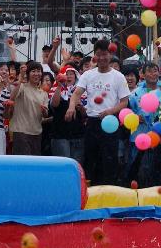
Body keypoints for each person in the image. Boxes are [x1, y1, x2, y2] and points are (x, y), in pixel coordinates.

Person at [66, 39, 130, 186]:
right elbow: (76, 94)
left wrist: (110, 111)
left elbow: (124, 102)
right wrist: (71, 107)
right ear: (95, 55)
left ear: (110, 55)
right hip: (92, 122)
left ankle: (109, 191)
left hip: (110, 123)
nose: (102, 58)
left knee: (109, 160)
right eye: (99, 55)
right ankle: (91, 191)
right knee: (91, 158)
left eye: (105, 54)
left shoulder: (118, 76)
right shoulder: (88, 75)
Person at [8, 62, 49, 156]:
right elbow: (12, 98)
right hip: (21, 132)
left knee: (34, 165)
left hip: (37, 133)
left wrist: (44, 111)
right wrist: (21, 78)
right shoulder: (22, 87)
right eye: (33, 71)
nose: (36, 74)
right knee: (22, 165)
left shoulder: (44, 93)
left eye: (39, 71)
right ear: (28, 74)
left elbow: (46, 114)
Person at [50, 66, 84, 163]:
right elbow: (54, 104)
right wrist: (60, 86)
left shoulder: (81, 92)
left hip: (78, 135)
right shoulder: (57, 89)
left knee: (77, 165)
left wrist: (81, 108)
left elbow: (85, 114)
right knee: (63, 164)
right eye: (66, 74)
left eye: (71, 74)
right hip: (60, 135)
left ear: (76, 76)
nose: (69, 77)